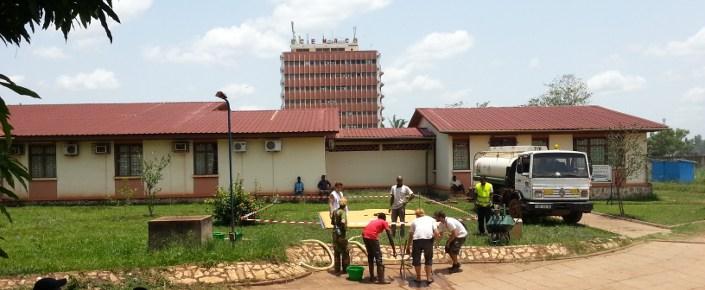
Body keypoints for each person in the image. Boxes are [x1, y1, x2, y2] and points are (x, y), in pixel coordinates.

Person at [405, 208, 439, 285]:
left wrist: (408, 247)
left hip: (417, 240)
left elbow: (411, 235)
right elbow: (436, 232)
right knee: (428, 258)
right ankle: (428, 278)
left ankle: (418, 277)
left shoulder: (414, 221)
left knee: (416, 259)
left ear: (416, 215)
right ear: (424, 213)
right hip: (428, 240)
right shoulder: (431, 219)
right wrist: (436, 242)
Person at [362, 212, 396, 284]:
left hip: (365, 236)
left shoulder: (373, 221)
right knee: (378, 258)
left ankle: (372, 277)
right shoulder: (384, 222)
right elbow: (389, 236)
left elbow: (366, 229)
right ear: (384, 218)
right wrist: (394, 249)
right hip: (372, 237)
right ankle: (381, 279)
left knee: (370, 256)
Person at [331, 197, 350, 274]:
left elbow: (332, 222)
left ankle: (337, 269)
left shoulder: (335, 211)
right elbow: (343, 221)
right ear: (345, 205)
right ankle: (346, 269)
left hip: (334, 233)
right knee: (345, 251)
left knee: (336, 251)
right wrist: (343, 226)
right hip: (341, 234)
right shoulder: (342, 212)